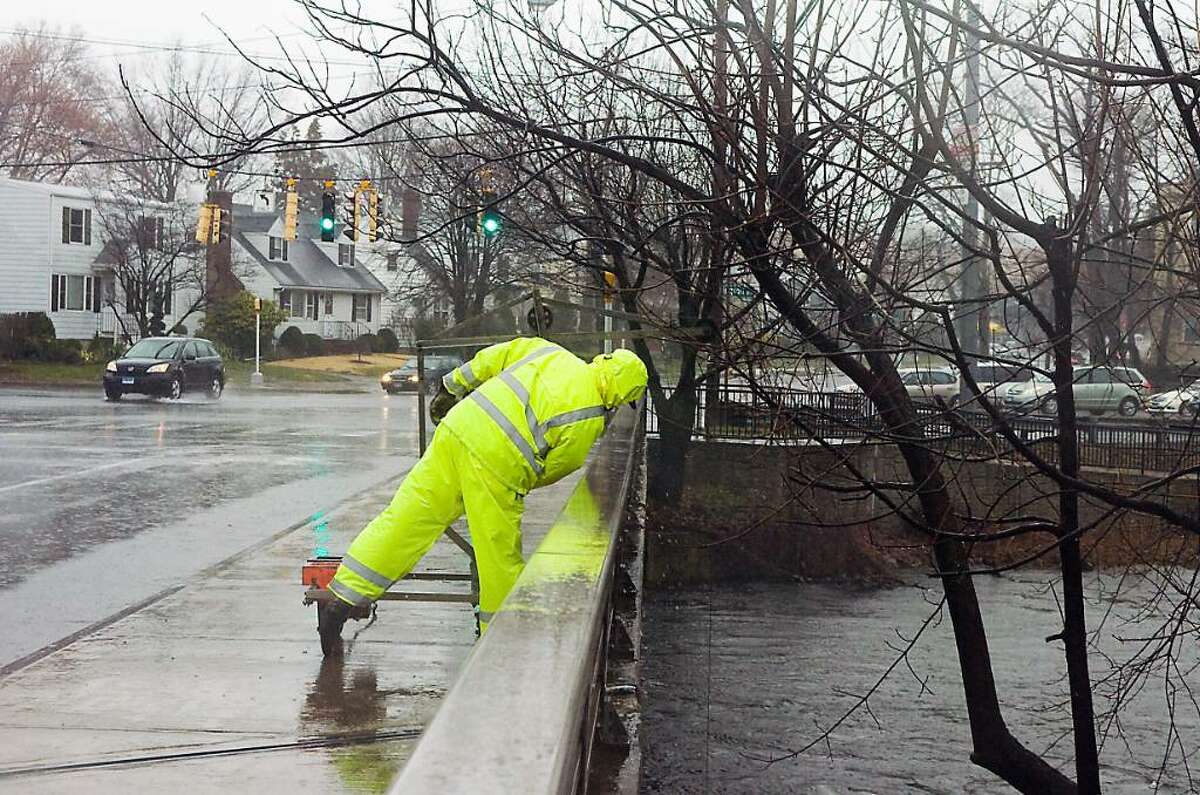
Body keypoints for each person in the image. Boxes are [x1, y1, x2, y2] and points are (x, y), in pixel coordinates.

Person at [317, 336, 648, 655]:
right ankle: (500, 643)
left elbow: (495, 357)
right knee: (498, 557)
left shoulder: (550, 353)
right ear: (622, 395)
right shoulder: (589, 418)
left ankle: (342, 596)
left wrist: (452, 385)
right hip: (497, 464)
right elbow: (558, 467)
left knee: (406, 518)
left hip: (459, 427)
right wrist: (514, 483)